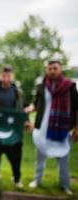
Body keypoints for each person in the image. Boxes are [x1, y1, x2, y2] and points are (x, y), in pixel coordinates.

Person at [25, 60, 78, 195]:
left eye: (55, 68)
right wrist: (29, 109)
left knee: (63, 160)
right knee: (40, 158)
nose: (52, 71)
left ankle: (65, 185)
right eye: (50, 68)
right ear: (47, 70)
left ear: (60, 69)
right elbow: (36, 104)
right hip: (43, 129)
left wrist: (77, 128)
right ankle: (37, 180)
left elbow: (76, 108)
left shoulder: (70, 86)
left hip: (62, 129)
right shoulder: (42, 86)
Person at [0, 65, 27, 188]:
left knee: (16, 157)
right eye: (4, 75)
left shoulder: (17, 92)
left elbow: (23, 109)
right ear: (0, 76)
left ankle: (17, 179)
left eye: (8, 76)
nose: (6, 78)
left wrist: (26, 121)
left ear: (12, 77)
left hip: (13, 132)